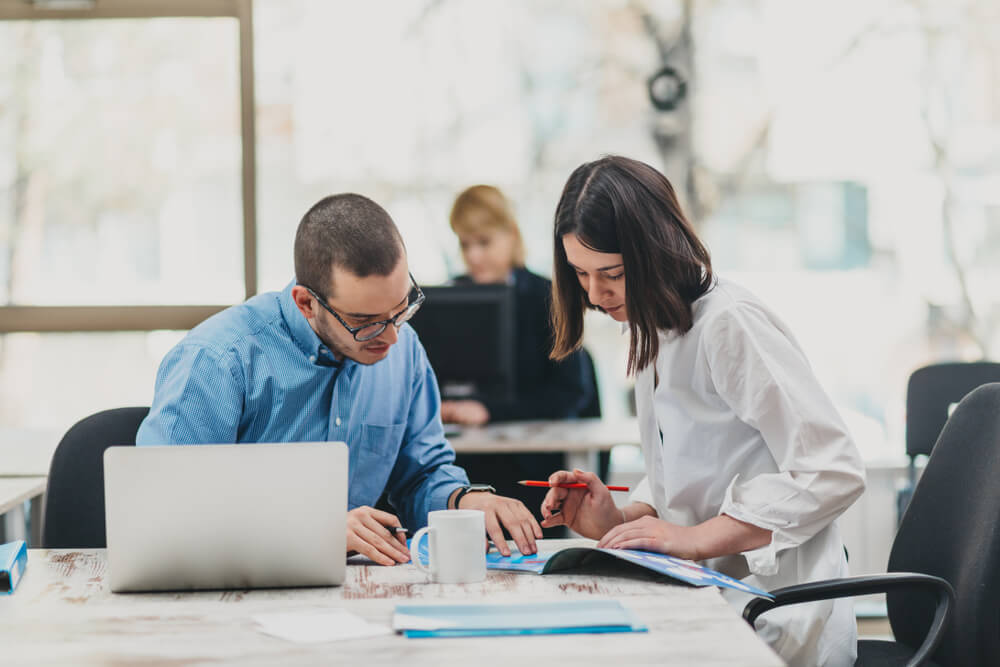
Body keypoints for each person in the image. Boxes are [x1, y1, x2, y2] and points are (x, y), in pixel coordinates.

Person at [539, 156, 866, 667]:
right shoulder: (655, 327)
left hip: (775, 610)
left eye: (613, 274)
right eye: (581, 275)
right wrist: (621, 519)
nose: (596, 295)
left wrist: (691, 539)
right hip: (709, 594)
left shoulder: (729, 323)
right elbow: (700, 467)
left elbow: (832, 470)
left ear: (654, 251)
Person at [136, 193, 542, 566]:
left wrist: (462, 500)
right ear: (307, 303)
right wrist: (312, 530)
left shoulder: (404, 350)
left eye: (401, 309)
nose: (391, 337)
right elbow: (165, 512)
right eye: (364, 322)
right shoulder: (219, 360)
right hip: (234, 596)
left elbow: (420, 475)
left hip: (352, 599)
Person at [442, 185, 598, 524]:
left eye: (483, 242)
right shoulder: (449, 300)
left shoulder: (549, 297)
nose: (474, 256)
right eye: (465, 244)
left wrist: (488, 410)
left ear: (511, 235)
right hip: (469, 470)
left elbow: (571, 394)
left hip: (533, 470)